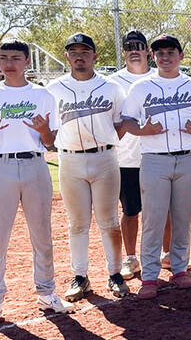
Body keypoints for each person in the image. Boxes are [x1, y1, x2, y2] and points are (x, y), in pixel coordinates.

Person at [0, 39, 73, 329]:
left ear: (27, 61)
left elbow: (50, 141)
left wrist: (44, 130)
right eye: (3, 57)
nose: (9, 63)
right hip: (1, 165)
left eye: (15, 57)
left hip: (35, 165)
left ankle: (47, 293)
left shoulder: (42, 95)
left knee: (42, 236)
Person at [122, 35, 191, 298]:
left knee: (182, 217)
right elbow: (126, 121)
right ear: (154, 57)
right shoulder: (141, 87)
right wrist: (142, 131)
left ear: (181, 56)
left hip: (187, 158)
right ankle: (150, 276)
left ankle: (179, 269)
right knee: (153, 218)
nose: (165, 57)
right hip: (154, 159)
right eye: (160, 53)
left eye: (170, 52)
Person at [47, 33, 129, 301]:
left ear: (95, 55)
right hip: (69, 159)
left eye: (85, 51)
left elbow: (120, 124)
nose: (79, 55)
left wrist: (105, 143)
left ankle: (115, 273)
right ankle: (80, 276)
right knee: (77, 223)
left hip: (105, 158)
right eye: (73, 51)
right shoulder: (54, 89)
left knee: (109, 222)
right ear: (67, 56)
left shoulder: (112, 88)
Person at [108, 30, 157, 280]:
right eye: (129, 46)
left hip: (157, 154)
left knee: (163, 210)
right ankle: (130, 258)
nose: (134, 50)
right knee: (130, 211)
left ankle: (166, 253)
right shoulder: (113, 82)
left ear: (148, 50)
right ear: (124, 51)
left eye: (139, 45)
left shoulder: (160, 77)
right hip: (126, 158)